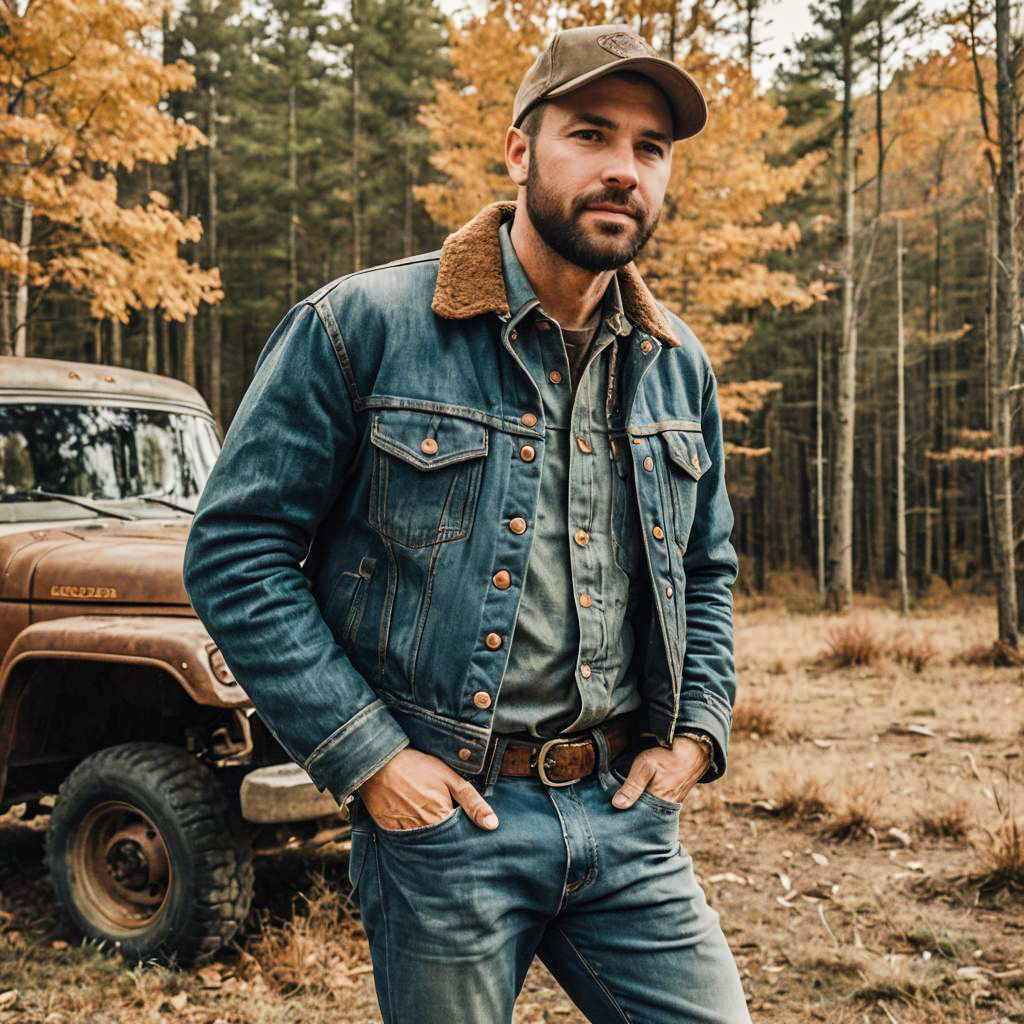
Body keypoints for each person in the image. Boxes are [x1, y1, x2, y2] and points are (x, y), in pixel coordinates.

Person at [183, 22, 751, 1024]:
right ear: (519, 150)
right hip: (449, 825)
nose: (623, 169)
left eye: (649, 149)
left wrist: (695, 735)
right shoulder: (360, 327)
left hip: (628, 817)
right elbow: (236, 553)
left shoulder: (677, 363)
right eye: (590, 134)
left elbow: (704, 567)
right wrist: (371, 760)